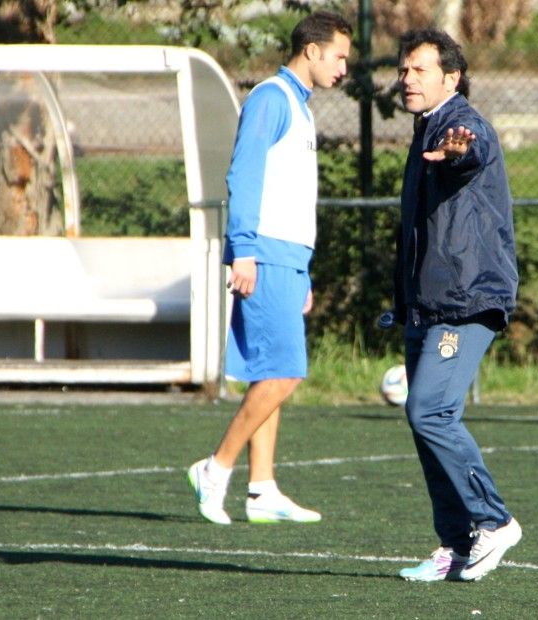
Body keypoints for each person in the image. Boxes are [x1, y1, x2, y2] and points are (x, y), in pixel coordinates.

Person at [186, 11, 353, 525]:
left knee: (270, 372)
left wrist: (302, 270)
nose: (344, 68)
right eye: (339, 56)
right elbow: (245, 172)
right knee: (284, 373)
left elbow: (292, 195)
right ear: (311, 51)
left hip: (288, 259)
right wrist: (245, 250)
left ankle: (261, 490)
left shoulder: (298, 108)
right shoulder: (270, 99)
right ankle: (215, 469)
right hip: (265, 253)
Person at [390, 28, 522, 582]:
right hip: (428, 303)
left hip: (466, 300)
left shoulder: (460, 125)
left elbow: (472, 149)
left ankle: (494, 521)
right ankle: (457, 545)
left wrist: (458, 149)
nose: (407, 78)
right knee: (425, 422)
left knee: (430, 411)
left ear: (451, 76)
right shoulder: (425, 130)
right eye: (403, 70)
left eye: (420, 69)